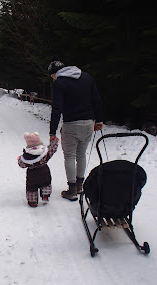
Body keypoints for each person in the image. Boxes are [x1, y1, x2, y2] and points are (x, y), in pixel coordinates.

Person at [48, 59, 103, 201]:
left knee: (70, 156)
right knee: (81, 154)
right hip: (88, 123)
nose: (53, 78)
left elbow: (57, 108)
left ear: (54, 73)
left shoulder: (60, 83)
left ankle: (71, 189)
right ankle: (80, 185)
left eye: (52, 76)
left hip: (71, 124)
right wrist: (99, 120)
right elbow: (96, 98)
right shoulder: (86, 77)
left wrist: (52, 132)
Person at [18, 132, 59, 207]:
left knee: (31, 188)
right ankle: (45, 195)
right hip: (44, 172)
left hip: (32, 175)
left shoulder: (27, 156)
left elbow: (22, 164)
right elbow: (52, 148)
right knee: (46, 184)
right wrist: (55, 141)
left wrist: (19, 159)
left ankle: (32, 201)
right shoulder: (45, 153)